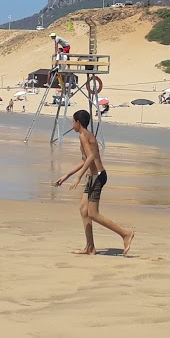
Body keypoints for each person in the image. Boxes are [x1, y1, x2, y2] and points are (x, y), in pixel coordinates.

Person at [53, 109, 134, 255]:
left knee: (93, 213)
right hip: (92, 177)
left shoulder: (84, 136)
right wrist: (67, 175)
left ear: (78, 122)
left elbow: (91, 157)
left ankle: (125, 234)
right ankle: (90, 247)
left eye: (73, 121)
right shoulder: (86, 135)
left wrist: (78, 176)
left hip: (97, 176)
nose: (72, 125)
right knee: (84, 210)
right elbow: (85, 159)